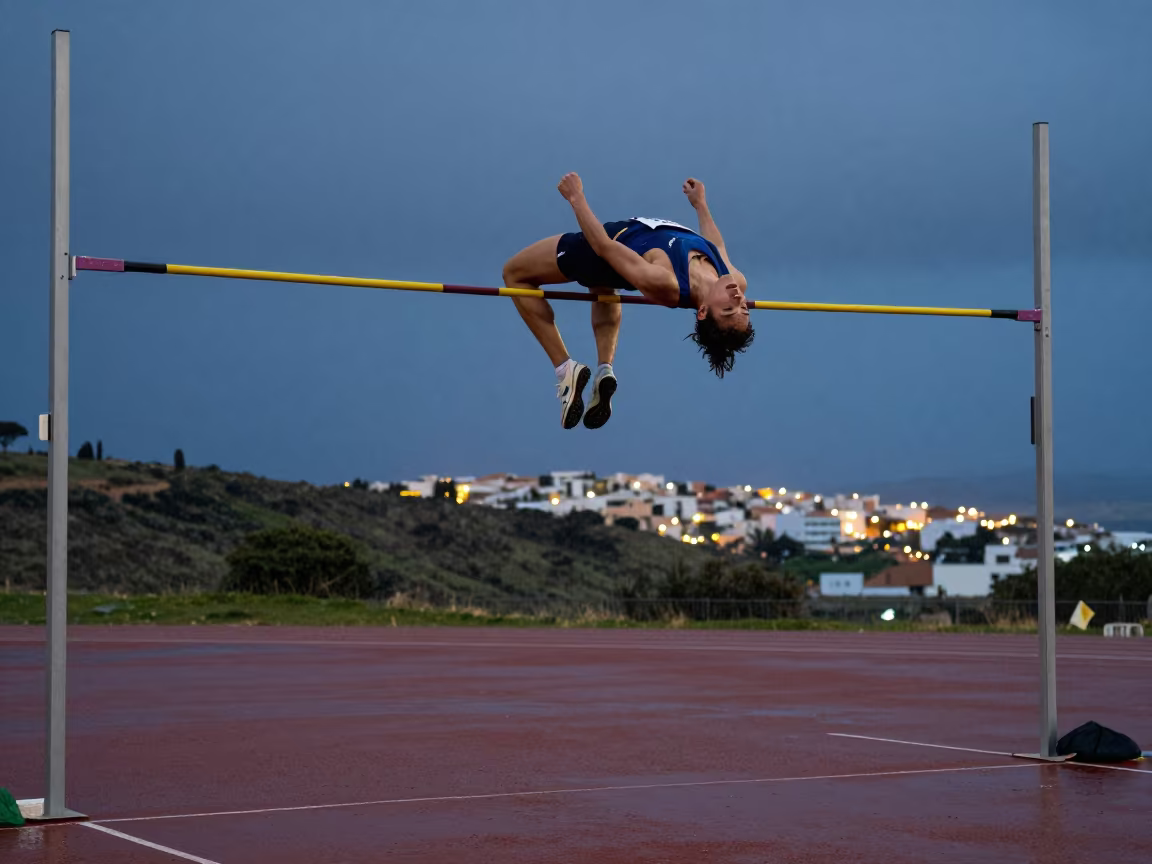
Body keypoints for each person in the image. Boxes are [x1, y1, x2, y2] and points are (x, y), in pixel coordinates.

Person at [502, 172, 754, 429]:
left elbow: (603, 246)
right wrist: (700, 204)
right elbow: (716, 244)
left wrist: (576, 198)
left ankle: (565, 370)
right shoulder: (733, 278)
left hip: (603, 247)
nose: (737, 297)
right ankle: (604, 370)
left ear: (702, 311)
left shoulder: (666, 282)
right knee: (603, 287)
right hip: (622, 255)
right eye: (743, 307)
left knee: (515, 274)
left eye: (728, 308)